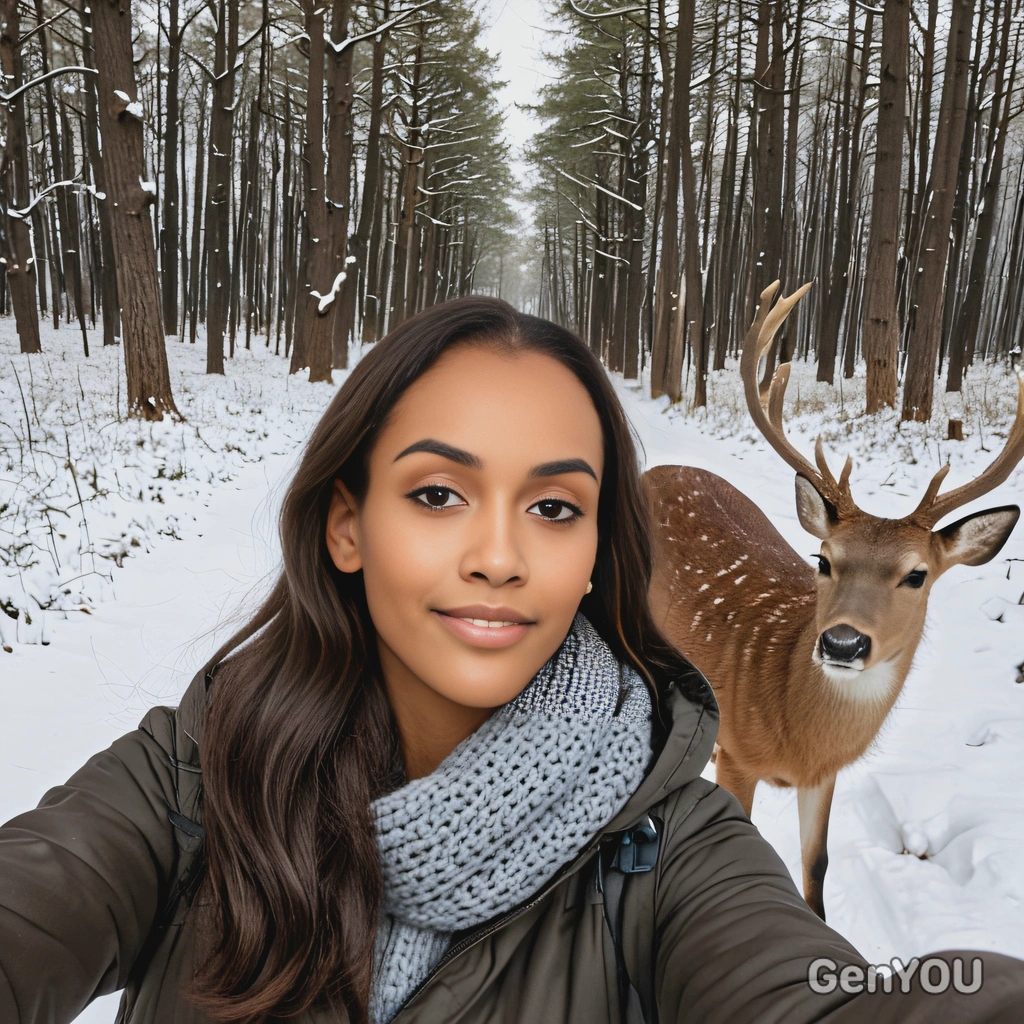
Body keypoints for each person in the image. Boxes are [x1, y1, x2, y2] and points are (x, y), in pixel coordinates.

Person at [2, 295, 1023, 1024]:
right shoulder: (186, 780)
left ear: (593, 560)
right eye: (438, 493)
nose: (497, 557)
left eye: (553, 507)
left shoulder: (671, 847)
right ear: (346, 526)